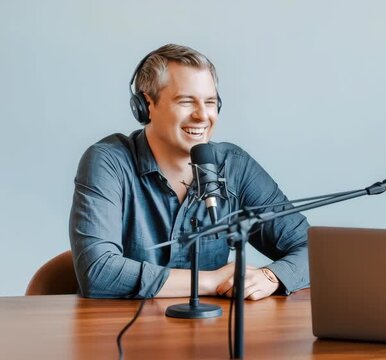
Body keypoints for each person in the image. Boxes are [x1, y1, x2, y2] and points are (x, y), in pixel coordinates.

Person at [69, 44, 309, 300]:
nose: (202, 115)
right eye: (186, 102)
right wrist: (211, 281)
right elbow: (98, 272)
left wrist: (270, 276)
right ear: (146, 105)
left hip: (210, 334)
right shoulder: (109, 162)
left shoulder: (234, 165)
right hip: (121, 333)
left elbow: (312, 250)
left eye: (210, 102)